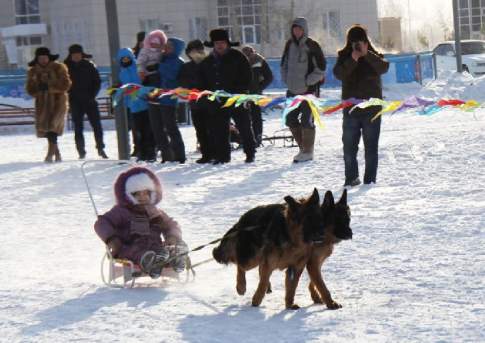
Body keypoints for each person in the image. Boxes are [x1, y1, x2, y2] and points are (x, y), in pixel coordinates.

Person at [94, 167, 188, 277]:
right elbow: (102, 223)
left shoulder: (155, 212)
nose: (142, 197)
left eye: (146, 193)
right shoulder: (121, 211)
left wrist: (172, 236)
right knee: (137, 252)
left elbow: (170, 225)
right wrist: (112, 239)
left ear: (152, 194)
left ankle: (174, 258)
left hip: (154, 247)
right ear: (128, 196)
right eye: (137, 194)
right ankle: (150, 262)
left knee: (165, 249)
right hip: (128, 248)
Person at [333, 24, 389, 186]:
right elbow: (339, 74)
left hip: (372, 109)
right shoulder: (344, 57)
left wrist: (367, 54)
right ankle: (351, 178)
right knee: (349, 148)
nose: (357, 45)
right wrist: (353, 59)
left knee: (371, 148)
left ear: (366, 41)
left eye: (361, 41)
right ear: (349, 42)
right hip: (351, 110)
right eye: (354, 42)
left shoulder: (374, 56)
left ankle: (369, 181)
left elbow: (384, 67)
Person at [200, 28, 256, 164]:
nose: (219, 45)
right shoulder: (208, 61)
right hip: (217, 100)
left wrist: (239, 91)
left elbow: (247, 77)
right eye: (217, 42)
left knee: (244, 126)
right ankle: (223, 156)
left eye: (222, 42)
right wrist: (208, 95)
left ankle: (250, 153)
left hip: (237, 98)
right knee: (219, 129)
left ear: (227, 43)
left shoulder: (238, 57)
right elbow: (203, 80)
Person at [281, 17, 326, 163]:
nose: (296, 31)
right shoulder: (289, 44)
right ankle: (302, 149)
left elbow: (321, 68)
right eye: (294, 29)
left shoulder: (312, 45)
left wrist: (308, 82)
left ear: (304, 29)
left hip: (309, 91)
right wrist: (287, 80)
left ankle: (308, 152)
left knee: (307, 120)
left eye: (299, 29)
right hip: (292, 90)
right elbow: (283, 64)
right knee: (290, 119)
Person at [26, 47, 71, 163]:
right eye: (40, 58)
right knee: (47, 130)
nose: (43, 60)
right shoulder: (33, 71)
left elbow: (66, 84)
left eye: (45, 58)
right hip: (42, 104)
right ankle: (57, 154)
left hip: (58, 102)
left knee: (53, 127)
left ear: (49, 57)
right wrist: (38, 90)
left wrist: (50, 88)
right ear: (37, 59)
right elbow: (29, 89)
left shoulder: (59, 68)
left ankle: (49, 155)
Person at [64, 44, 108, 159]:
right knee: (78, 128)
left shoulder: (89, 66)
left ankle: (100, 148)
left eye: (78, 54)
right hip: (75, 102)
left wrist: (92, 95)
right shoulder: (66, 67)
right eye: (74, 55)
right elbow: (63, 85)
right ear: (71, 55)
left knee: (97, 125)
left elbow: (97, 82)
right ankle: (81, 151)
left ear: (81, 55)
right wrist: (69, 97)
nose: (76, 57)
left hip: (90, 100)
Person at [149, 37, 186, 163]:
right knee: (157, 128)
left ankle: (179, 155)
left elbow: (170, 75)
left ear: (176, 49)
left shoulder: (177, 61)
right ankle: (166, 155)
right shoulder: (162, 59)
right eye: (166, 45)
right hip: (155, 97)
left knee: (171, 127)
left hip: (168, 99)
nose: (166, 48)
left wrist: (158, 66)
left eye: (170, 46)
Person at [178, 39, 214, 163]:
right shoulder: (186, 67)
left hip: (210, 102)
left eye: (199, 50)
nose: (196, 53)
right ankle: (206, 154)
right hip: (195, 103)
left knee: (212, 128)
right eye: (193, 51)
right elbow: (182, 81)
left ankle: (215, 153)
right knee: (200, 130)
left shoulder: (209, 63)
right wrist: (192, 86)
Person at [117, 48, 156, 161]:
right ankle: (141, 152)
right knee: (137, 131)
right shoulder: (121, 73)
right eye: (123, 59)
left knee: (148, 130)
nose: (125, 60)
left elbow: (145, 81)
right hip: (133, 105)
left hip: (144, 103)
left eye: (127, 58)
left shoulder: (138, 68)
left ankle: (151, 152)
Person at [241, 45, 273, 147]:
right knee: (244, 117)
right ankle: (246, 139)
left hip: (255, 94)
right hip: (242, 94)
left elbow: (269, 77)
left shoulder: (259, 60)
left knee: (256, 116)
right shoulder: (238, 62)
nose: (248, 55)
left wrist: (259, 88)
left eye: (249, 53)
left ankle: (257, 138)